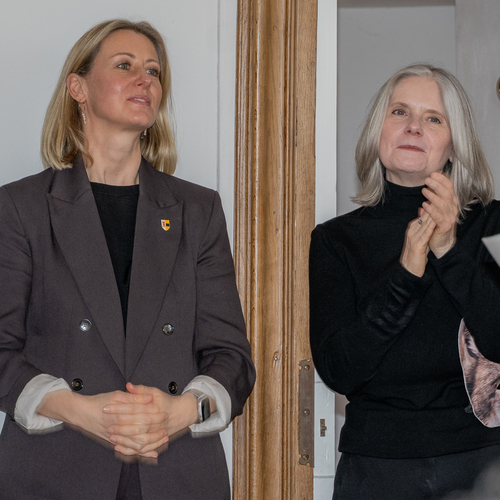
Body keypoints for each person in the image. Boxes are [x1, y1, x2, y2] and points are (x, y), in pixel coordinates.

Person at [0, 19, 255, 500]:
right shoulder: (21, 207)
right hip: (55, 470)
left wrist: (180, 412)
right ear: (78, 87)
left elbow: (232, 358)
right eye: (125, 65)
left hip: (176, 471)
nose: (145, 80)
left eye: (154, 72)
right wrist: (79, 410)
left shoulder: (197, 210)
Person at [309, 64, 500, 499]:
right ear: (378, 131)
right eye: (399, 112)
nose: (414, 126)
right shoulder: (336, 240)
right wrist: (406, 275)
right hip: (376, 468)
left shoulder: (492, 224)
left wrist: (449, 251)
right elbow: (339, 370)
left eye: (433, 118)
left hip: (482, 465)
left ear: (455, 144)